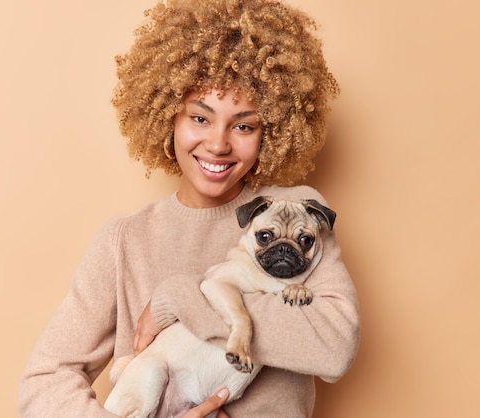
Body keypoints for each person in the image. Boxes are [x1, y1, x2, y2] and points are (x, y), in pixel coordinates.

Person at [18, 0, 359, 416]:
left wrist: (180, 297)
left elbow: (334, 346)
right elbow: (44, 381)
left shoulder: (297, 212)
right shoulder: (124, 240)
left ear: (274, 129)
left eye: (244, 125)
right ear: (166, 117)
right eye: (200, 118)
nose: (218, 144)